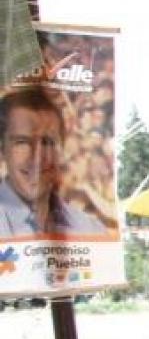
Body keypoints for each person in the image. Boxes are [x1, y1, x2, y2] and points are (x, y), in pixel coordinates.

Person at [0, 87, 105, 238]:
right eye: (22, 142)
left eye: (47, 142)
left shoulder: (91, 231)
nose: (36, 158)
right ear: (2, 150)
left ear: (62, 149)